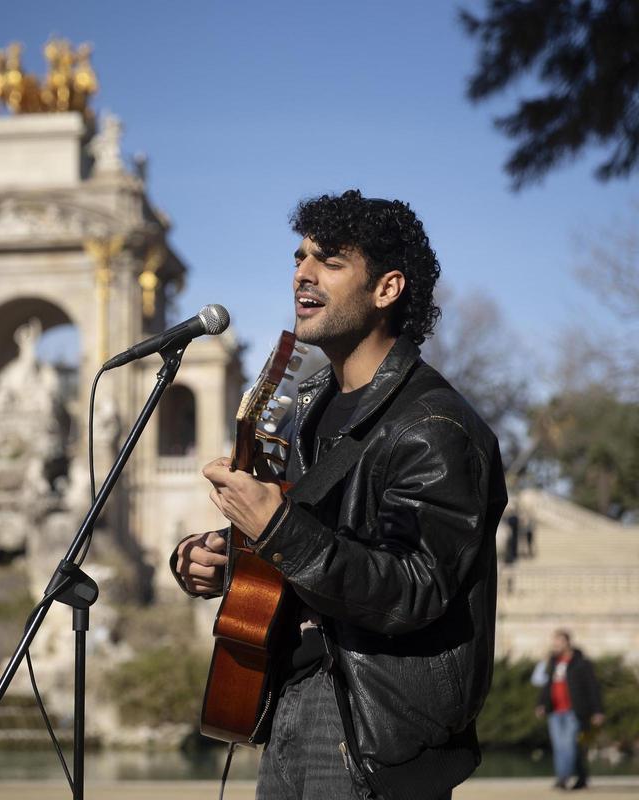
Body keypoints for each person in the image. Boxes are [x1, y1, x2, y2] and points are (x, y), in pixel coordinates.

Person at [172, 190, 507, 800]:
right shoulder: (305, 408)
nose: (303, 272)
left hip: (372, 722)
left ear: (387, 289)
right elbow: (325, 536)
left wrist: (275, 531)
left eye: (330, 261)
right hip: (288, 703)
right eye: (300, 258)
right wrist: (216, 555)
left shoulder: (433, 427)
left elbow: (413, 587)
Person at [535, 629, 605, 790]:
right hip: (555, 711)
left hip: (574, 711)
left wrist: (597, 711)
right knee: (560, 747)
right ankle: (578, 777)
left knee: (569, 745)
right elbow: (547, 686)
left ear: (567, 642)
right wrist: (542, 704)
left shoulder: (581, 663)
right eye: (554, 642)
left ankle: (563, 778)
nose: (555, 645)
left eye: (558, 642)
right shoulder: (553, 662)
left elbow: (593, 687)